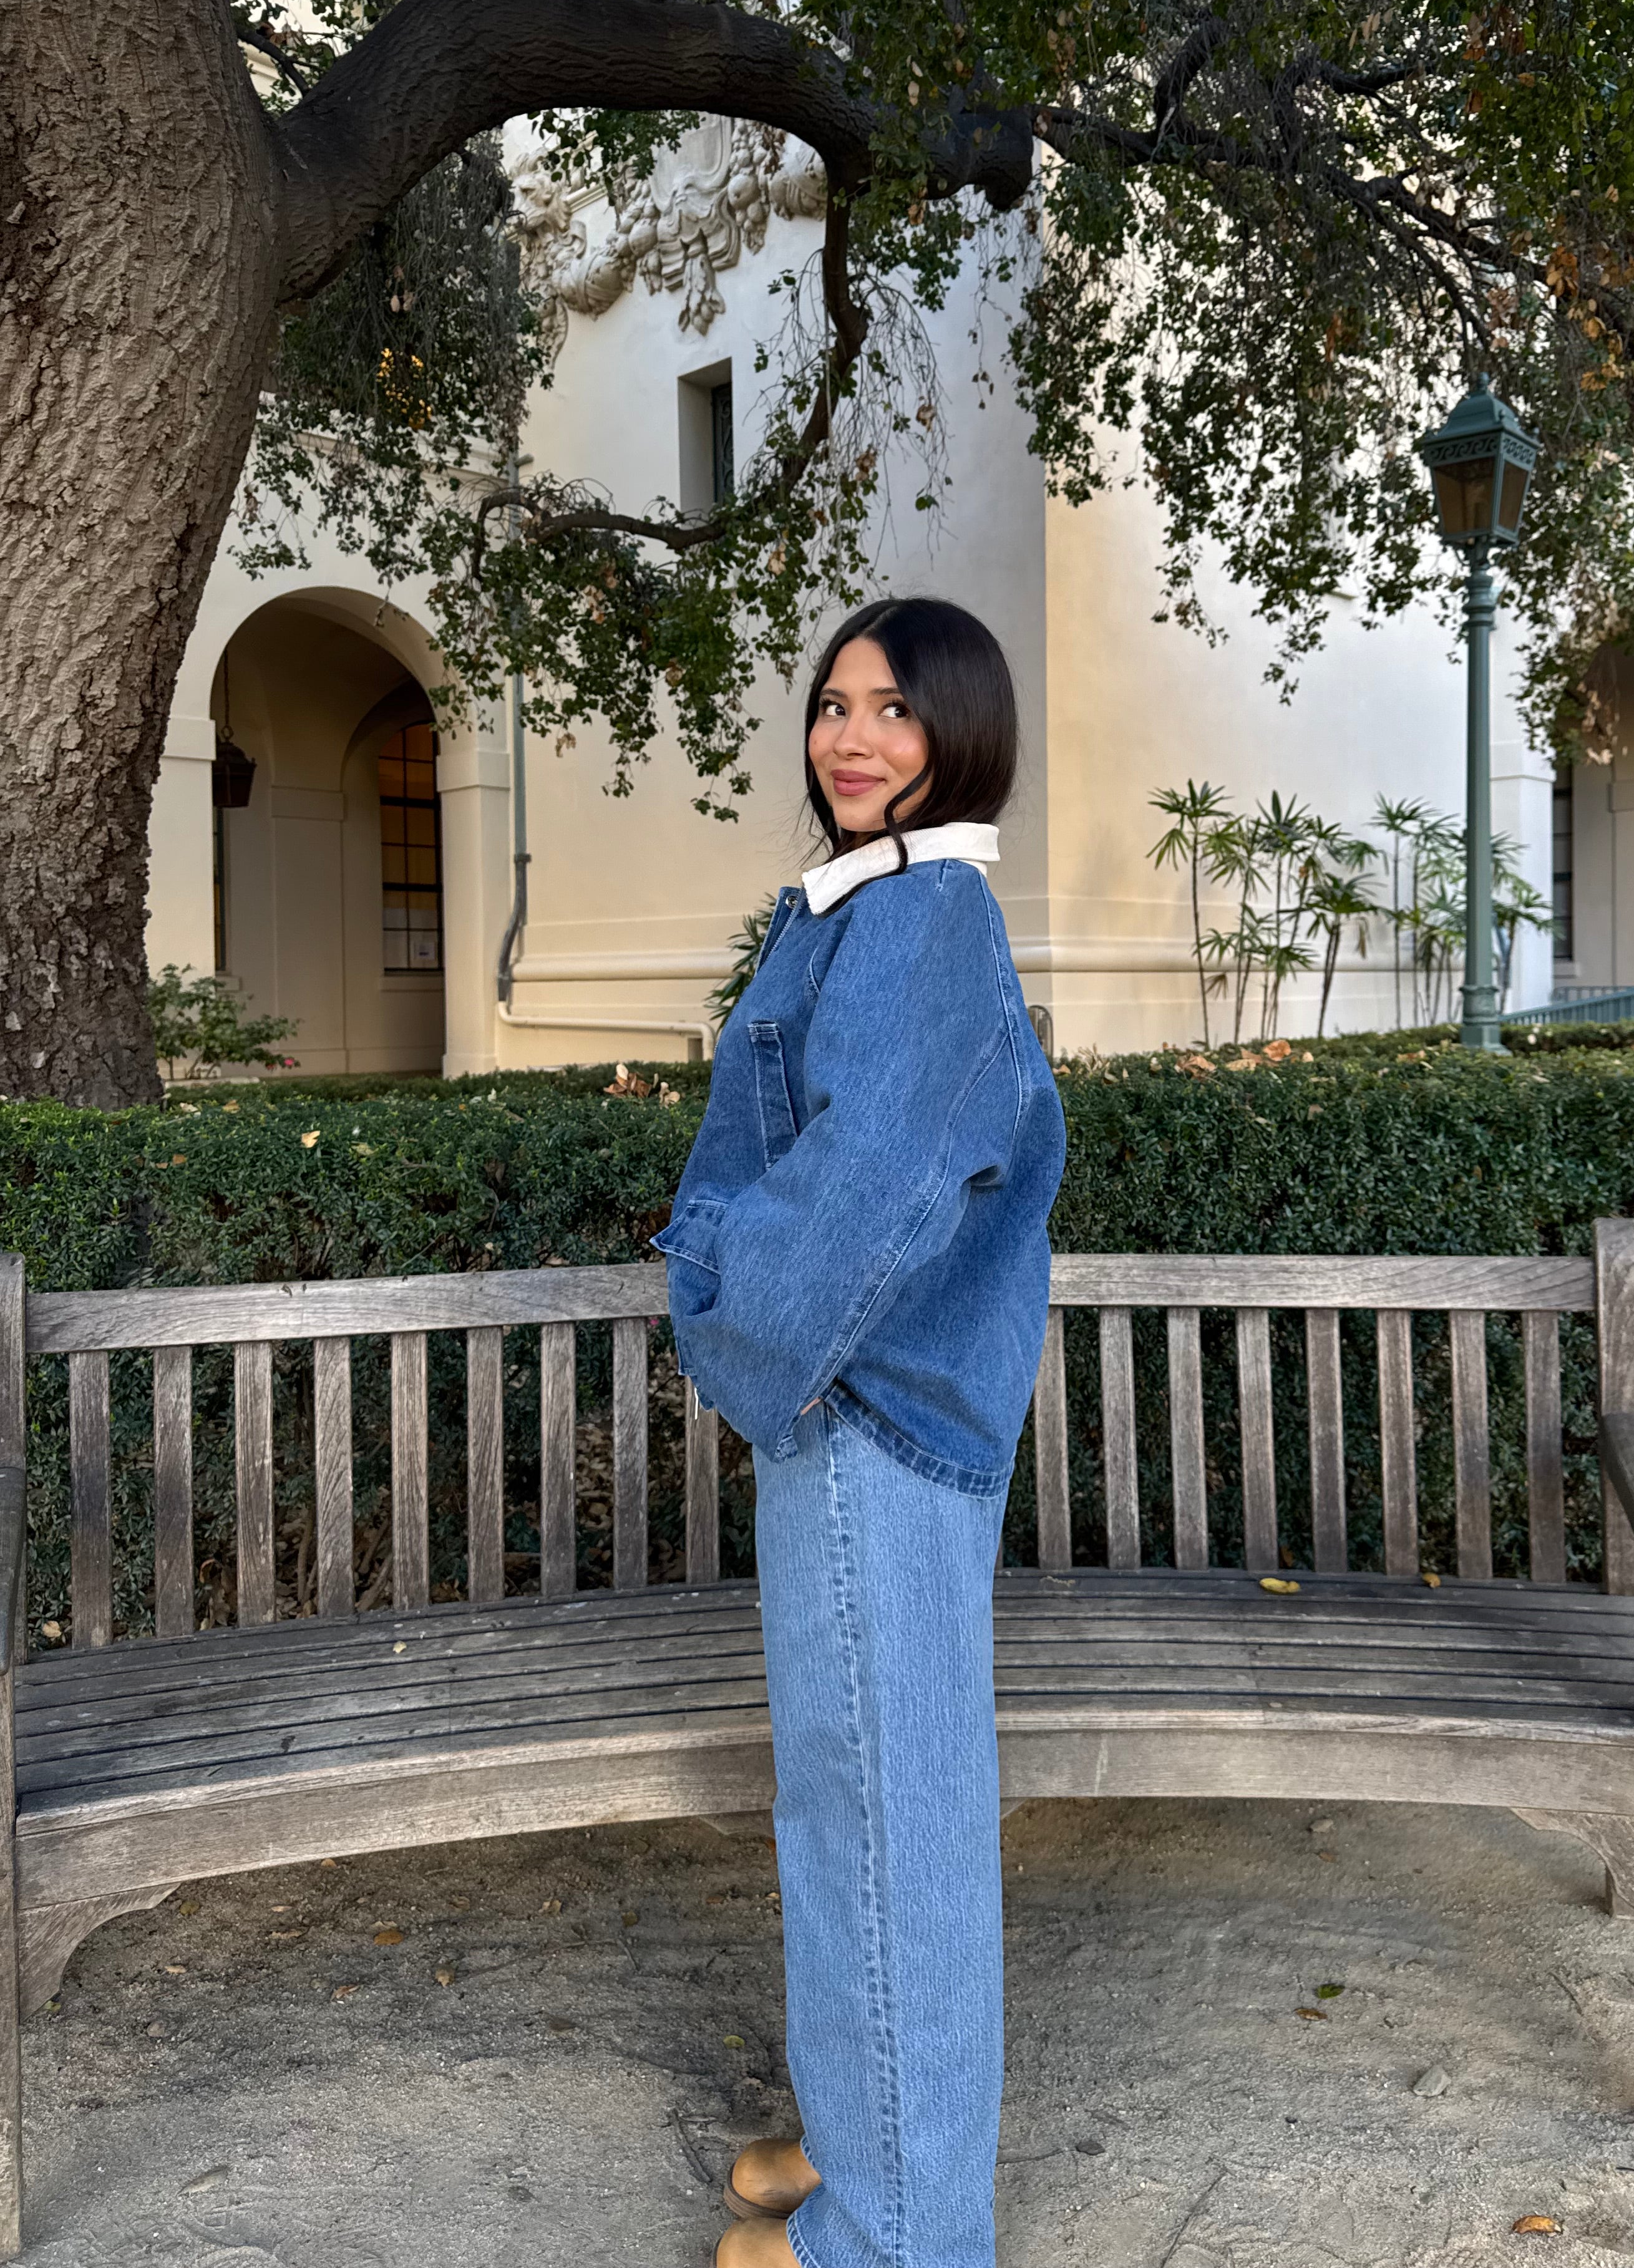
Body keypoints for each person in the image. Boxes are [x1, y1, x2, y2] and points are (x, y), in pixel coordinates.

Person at [652, 596, 1066, 2268]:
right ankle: (867, 2143)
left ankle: (896, 2238)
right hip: (873, 1414)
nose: (852, 738)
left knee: (883, 1826)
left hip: (866, 1420)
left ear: (958, 733)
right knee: (871, 1809)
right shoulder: (875, 906)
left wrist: (726, 1311)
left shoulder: (921, 918)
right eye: (832, 706)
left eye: (895, 711)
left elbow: (866, 1194)